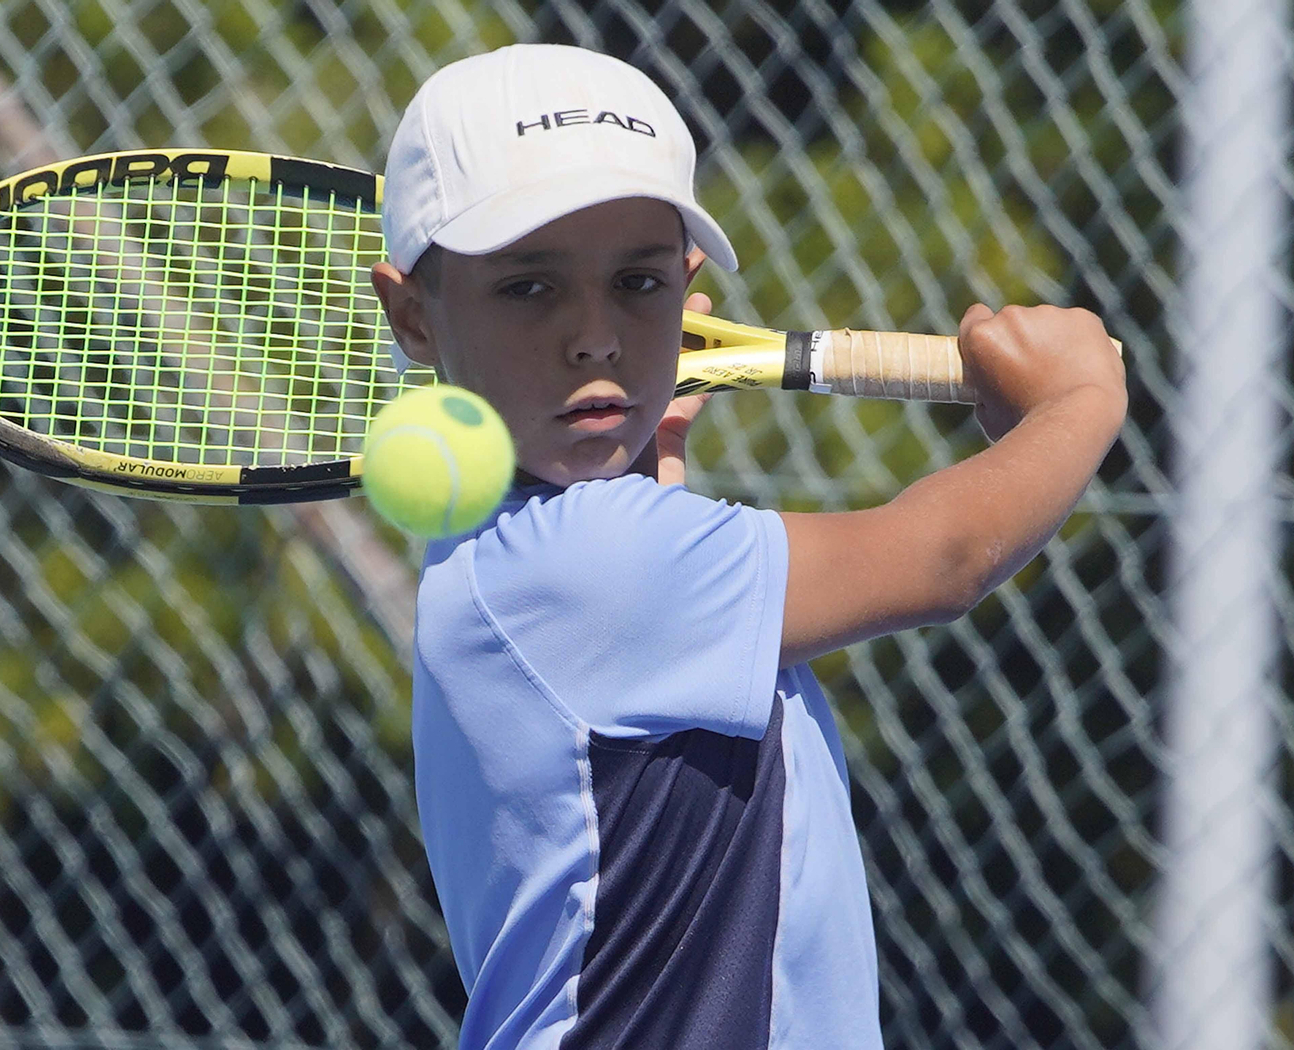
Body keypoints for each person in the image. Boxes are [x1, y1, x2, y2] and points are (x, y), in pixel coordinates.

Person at [369, 43, 1125, 1050]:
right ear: (413, 314)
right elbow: (941, 558)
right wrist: (1078, 401)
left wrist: (645, 468)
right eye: (528, 290)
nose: (593, 337)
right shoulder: (592, 564)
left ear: (687, 297)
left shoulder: (519, 543)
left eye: (634, 284)